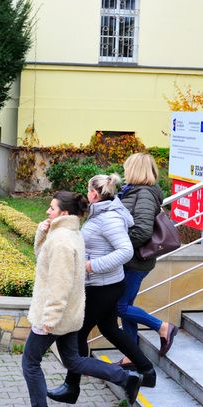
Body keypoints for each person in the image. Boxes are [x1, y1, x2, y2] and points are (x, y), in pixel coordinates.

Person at [23, 190, 143, 407]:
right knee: (73, 360)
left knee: (30, 362)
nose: (47, 211)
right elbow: (43, 259)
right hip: (70, 315)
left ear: (64, 213)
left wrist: (49, 319)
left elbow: (60, 284)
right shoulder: (69, 234)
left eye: (52, 208)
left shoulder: (61, 242)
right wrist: (42, 234)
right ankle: (125, 378)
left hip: (54, 316)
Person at [47, 176, 155, 405]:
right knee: (109, 328)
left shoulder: (109, 218)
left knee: (76, 334)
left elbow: (125, 250)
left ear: (94, 193)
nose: (87, 194)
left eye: (88, 190)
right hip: (105, 285)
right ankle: (147, 370)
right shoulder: (102, 212)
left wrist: (91, 266)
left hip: (103, 286)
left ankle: (72, 387)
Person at [116, 153, 178, 366]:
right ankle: (130, 356)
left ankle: (162, 327)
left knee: (119, 306)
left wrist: (120, 249)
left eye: (127, 167)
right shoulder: (135, 191)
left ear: (134, 170)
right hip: (132, 260)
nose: (124, 171)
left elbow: (142, 231)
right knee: (126, 307)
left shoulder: (144, 194)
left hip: (135, 261)